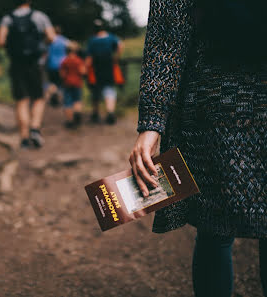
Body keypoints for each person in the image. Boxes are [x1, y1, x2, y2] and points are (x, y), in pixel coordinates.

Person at [129, 0, 267, 296]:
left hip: (213, 109)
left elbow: (166, 39)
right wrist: (152, 122)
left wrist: (152, 123)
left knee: (214, 231)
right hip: (216, 111)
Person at [0, 0, 56, 149]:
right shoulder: (39, 16)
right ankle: (35, 129)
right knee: (38, 98)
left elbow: (1, 41)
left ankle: (23, 138)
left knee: (21, 100)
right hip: (34, 63)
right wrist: (40, 44)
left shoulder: (7, 18)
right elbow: (51, 37)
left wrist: (13, 47)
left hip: (16, 64)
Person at [86, 19, 124, 125]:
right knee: (109, 89)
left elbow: (89, 58)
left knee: (95, 90)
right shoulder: (111, 37)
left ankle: (95, 113)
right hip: (109, 65)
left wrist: (86, 69)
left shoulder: (92, 40)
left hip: (96, 67)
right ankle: (110, 112)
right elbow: (120, 45)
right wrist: (116, 57)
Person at [59, 42, 86, 129]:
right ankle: (77, 115)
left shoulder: (64, 61)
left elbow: (62, 74)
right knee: (77, 100)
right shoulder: (79, 60)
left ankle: (69, 121)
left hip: (67, 84)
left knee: (68, 102)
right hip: (77, 83)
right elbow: (83, 72)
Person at [45, 26, 69, 107]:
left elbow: (46, 52)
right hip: (63, 65)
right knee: (61, 83)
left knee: (52, 82)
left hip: (51, 64)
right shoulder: (65, 41)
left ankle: (52, 95)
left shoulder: (50, 40)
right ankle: (59, 99)